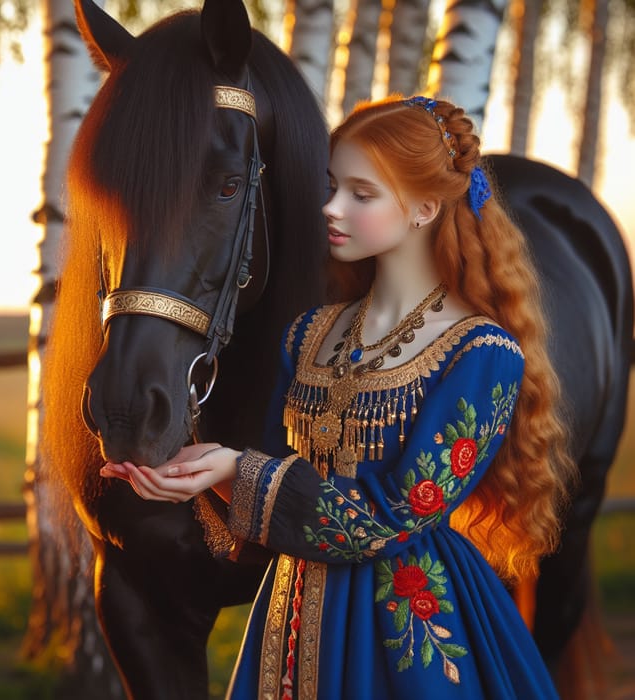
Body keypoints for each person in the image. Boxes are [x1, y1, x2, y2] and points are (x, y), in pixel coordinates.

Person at [100, 95, 576, 698]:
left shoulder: (482, 355)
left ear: (425, 207)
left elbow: (389, 518)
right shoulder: (309, 334)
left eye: (361, 193)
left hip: (410, 629)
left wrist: (233, 469)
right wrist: (192, 475)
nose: (331, 207)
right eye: (331, 186)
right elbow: (272, 481)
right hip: (293, 616)